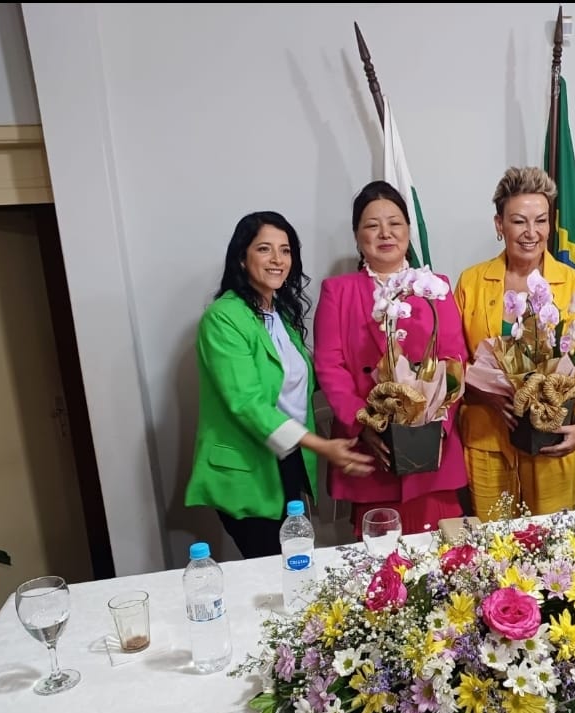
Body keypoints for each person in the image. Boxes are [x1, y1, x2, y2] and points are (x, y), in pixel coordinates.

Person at [185, 211, 375, 559]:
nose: (277, 259)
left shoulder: (280, 316)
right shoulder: (223, 318)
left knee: (293, 563)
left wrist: (373, 381)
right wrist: (321, 445)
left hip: (287, 459)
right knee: (271, 568)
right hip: (247, 470)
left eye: (285, 250)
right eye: (264, 249)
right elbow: (247, 403)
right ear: (241, 258)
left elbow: (304, 380)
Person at [313, 181, 468, 536]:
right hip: (372, 453)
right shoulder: (338, 291)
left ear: (408, 231)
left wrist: (434, 426)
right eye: (372, 225)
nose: (385, 233)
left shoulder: (436, 287)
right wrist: (364, 424)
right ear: (357, 236)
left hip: (433, 453)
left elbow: (454, 360)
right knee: (380, 562)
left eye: (395, 223)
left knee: (445, 557)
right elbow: (330, 368)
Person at [454, 166, 575, 519]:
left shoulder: (572, 282)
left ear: (551, 225)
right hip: (487, 439)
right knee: (494, 543)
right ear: (499, 224)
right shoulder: (472, 282)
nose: (531, 233)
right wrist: (485, 394)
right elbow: (452, 362)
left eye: (541, 221)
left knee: (553, 542)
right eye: (519, 221)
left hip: (554, 438)